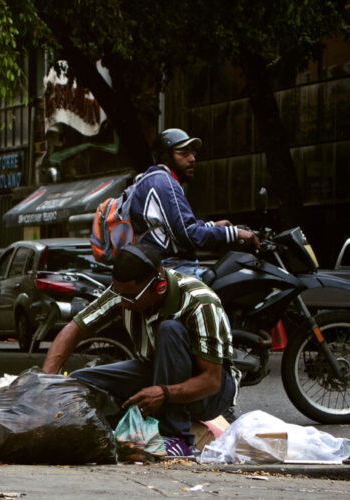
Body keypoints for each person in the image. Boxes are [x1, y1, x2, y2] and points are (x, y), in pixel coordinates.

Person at [42, 243, 239, 457]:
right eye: (121, 295)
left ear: (159, 287)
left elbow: (211, 381)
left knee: (170, 329)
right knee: (80, 382)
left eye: (130, 298)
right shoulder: (124, 293)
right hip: (155, 372)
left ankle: (176, 437)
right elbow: (75, 329)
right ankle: (101, 429)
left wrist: (164, 393)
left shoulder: (199, 303)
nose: (124, 304)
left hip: (211, 392)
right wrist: (43, 382)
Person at [127, 128, 259, 277]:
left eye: (192, 153)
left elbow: (174, 230)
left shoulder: (151, 180)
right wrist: (236, 233)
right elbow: (189, 234)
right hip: (172, 267)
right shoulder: (164, 182)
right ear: (165, 156)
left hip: (159, 265)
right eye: (184, 153)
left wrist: (212, 225)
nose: (192, 159)